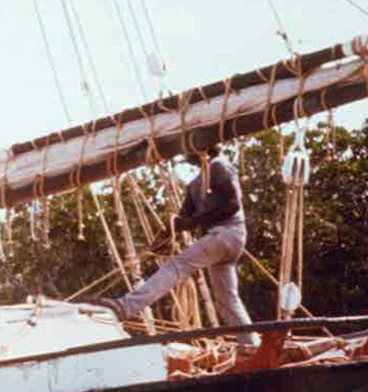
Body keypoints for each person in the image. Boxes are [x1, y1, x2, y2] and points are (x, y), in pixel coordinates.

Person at [100, 145, 258, 348]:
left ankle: (125, 307)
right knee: (226, 299)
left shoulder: (219, 166)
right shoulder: (194, 184)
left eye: (187, 150)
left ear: (200, 148)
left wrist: (193, 222)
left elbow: (232, 204)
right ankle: (252, 345)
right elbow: (182, 219)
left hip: (226, 233)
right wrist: (162, 239)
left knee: (177, 266)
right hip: (226, 241)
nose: (184, 155)